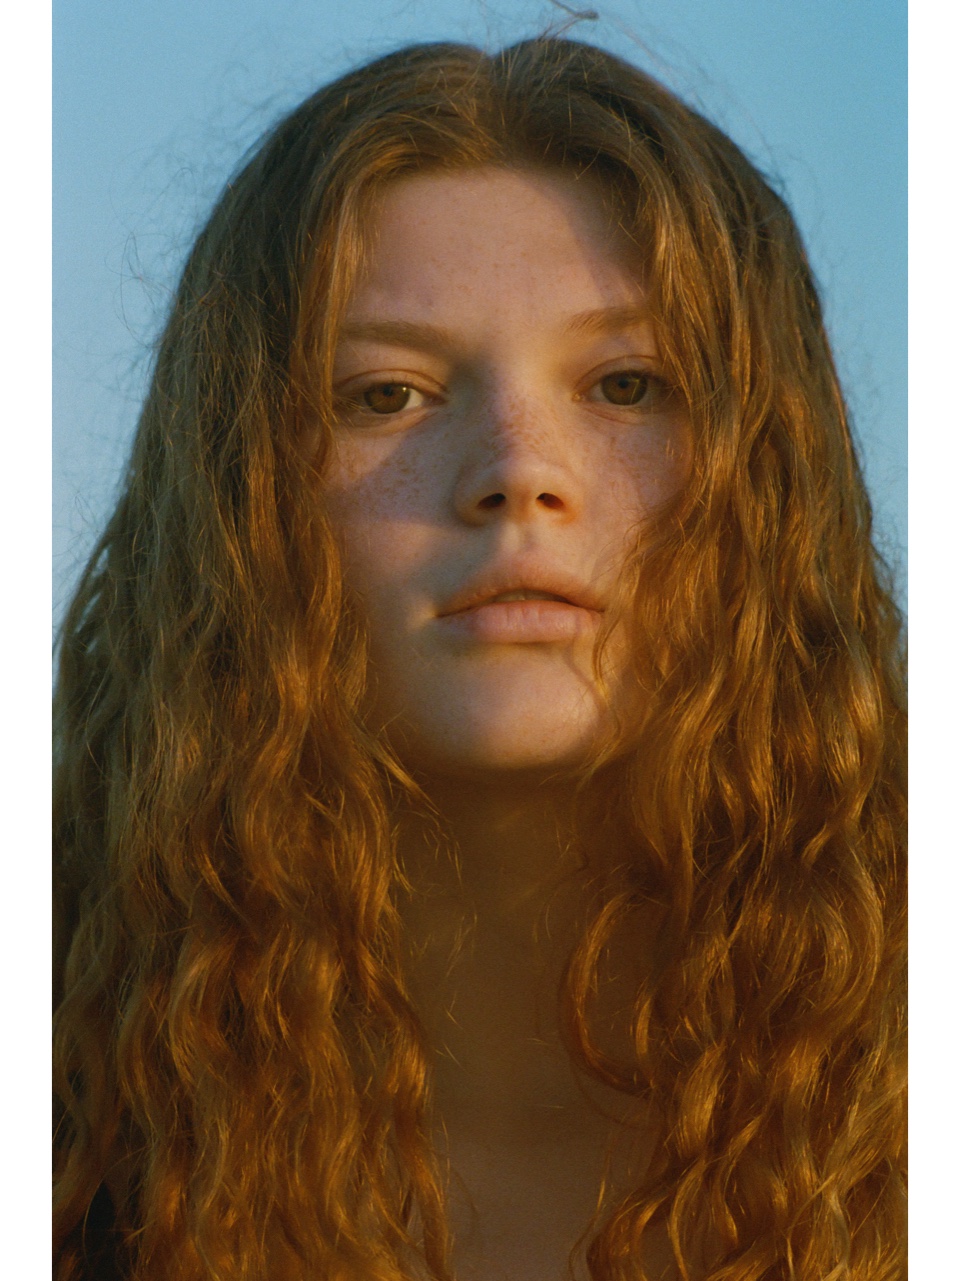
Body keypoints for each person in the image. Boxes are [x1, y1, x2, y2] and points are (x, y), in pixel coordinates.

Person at [53, 36, 906, 1281]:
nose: (518, 469)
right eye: (386, 395)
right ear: (235, 507)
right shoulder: (67, 1124)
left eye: (628, 385)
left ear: (778, 482)